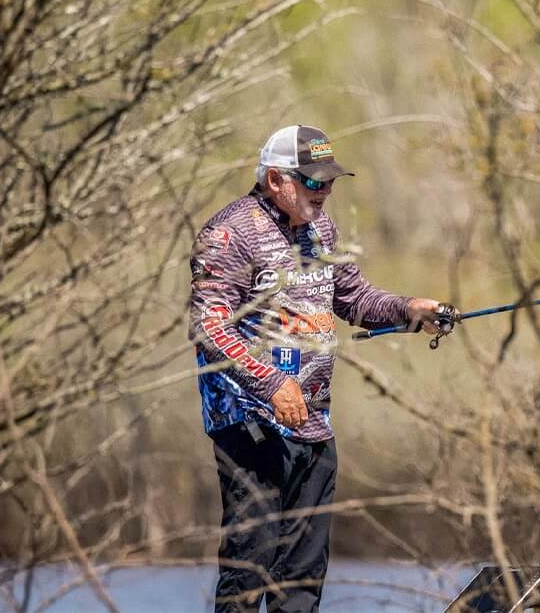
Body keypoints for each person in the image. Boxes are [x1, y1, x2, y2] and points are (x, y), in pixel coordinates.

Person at [188, 124, 449, 612]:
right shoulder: (229, 234)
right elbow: (209, 327)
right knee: (250, 567)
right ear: (274, 180)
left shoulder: (321, 229)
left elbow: (353, 298)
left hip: (313, 420)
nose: (324, 191)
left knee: (304, 580)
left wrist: (411, 308)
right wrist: (270, 384)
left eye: (329, 181)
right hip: (249, 424)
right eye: (312, 182)